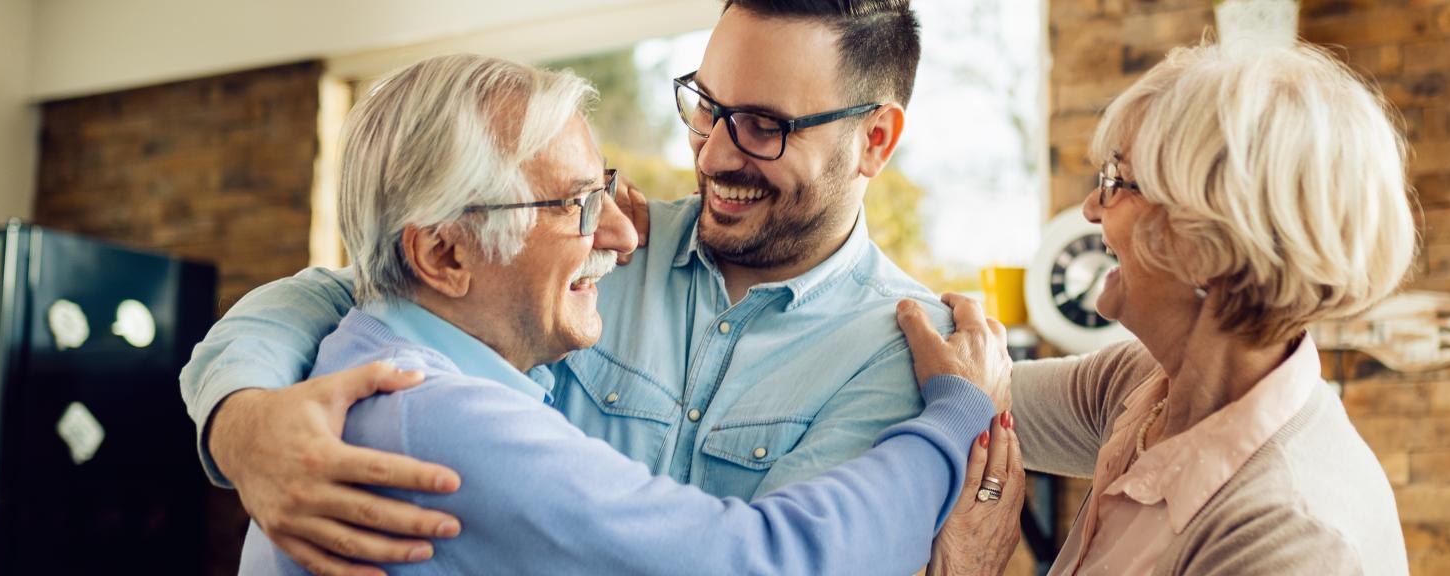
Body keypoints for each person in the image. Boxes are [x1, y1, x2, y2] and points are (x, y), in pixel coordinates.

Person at [176, 2, 994, 573]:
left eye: (763, 126)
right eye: (706, 106)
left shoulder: (915, 350)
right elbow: (356, 287)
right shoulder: (570, 271)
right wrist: (240, 418)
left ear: (875, 140)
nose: (712, 154)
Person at [902, 39, 1417, 575]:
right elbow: (964, 394)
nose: (1090, 208)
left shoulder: (1289, 540)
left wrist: (968, 562)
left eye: (1116, 181)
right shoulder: (1142, 386)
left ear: (1206, 243)